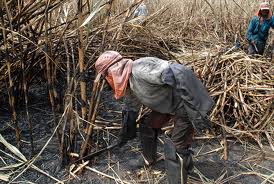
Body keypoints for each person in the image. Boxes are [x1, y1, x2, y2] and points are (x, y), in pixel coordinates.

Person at [95, 51, 213, 184]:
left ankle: (180, 177)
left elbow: (179, 72)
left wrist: (195, 111)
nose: (107, 80)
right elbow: (131, 108)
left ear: (113, 70)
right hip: (167, 105)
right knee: (147, 125)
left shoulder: (141, 69)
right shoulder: (130, 83)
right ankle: (149, 159)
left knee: (176, 146)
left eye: (106, 76)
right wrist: (125, 133)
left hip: (185, 105)